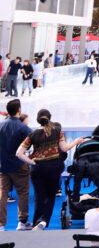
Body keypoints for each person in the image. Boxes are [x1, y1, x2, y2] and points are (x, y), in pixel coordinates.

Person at [16, 108, 86, 230]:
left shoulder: (32, 135)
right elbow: (64, 149)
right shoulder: (57, 131)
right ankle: (43, 221)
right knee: (50, 196)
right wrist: (76, 142)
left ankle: (36, 221)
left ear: (38, 120)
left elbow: (19, 153)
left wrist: (31, 161)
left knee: (39, 197)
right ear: (50, 118)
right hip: (52, 167)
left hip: (37, 169)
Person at [0, 97, 32, 231]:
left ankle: (1, 224)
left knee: (2, 194)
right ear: (19, 110)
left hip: (2, 165)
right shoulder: (24, 128)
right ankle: (22, 221)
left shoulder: (1, 125)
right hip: (19, 165)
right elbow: (34, 141)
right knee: (23, 192)